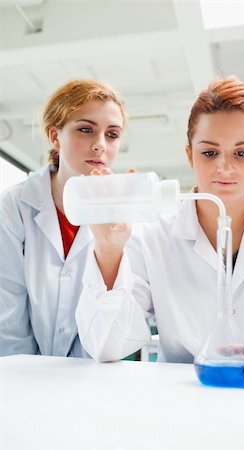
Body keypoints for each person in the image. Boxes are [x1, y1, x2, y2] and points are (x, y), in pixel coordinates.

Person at [76, 76, 244, 388]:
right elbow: (107, 346)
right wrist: (108, 250)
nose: (224, 167)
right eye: (209, 153)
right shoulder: (153, 236)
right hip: (184, 408)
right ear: (189, 155)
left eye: (242, 153)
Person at [0, 78, 127, 357]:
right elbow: (9, 321)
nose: (100, 145)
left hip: (90, 380)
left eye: (112, 134)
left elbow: (114, 324)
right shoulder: (12, 208)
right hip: (19, 378)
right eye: (85, 130)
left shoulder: (122, 219)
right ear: (55, 137)